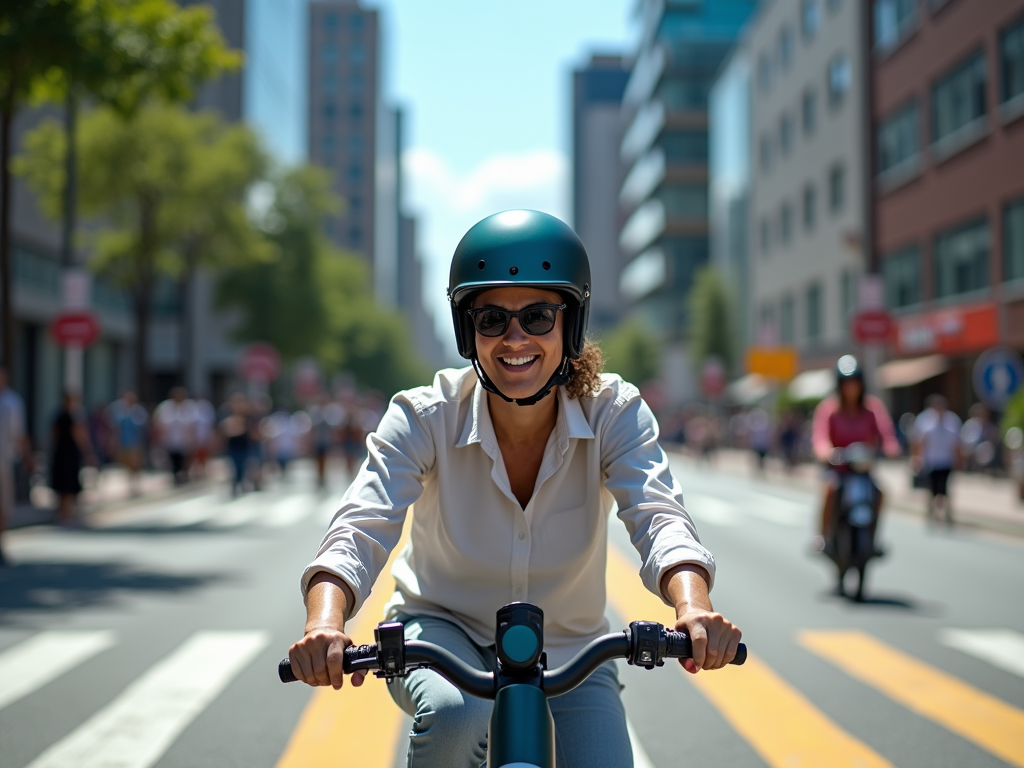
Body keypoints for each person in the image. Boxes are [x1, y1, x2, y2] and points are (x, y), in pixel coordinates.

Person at [287, 210, 741, 767]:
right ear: (467, 332)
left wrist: (693, 608)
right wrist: (325, 623)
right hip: (439, 634)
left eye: (538, 316)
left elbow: (659, 514)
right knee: (456, 718)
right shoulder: (423, 415)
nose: (515, 338)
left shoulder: (613, 410)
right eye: (492, 320)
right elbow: (360, 525)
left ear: (570, 323)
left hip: (574, 651)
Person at [810, 355, 901, 551]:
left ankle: (872, 537)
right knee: (830, 490)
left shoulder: (872, 408)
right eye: (847, 383)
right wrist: (827, 452)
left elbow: (886, 432)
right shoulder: (829, 409)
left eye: (855, 383)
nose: (851, 388)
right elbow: (820, 437)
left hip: (862, 470)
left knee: (879, 493)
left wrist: (891, 447)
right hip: (838, 469)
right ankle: (823, 536)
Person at [911, 394, 962, 526]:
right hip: (931, 461)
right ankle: (931, 514)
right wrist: (917, 458)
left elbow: (956, 443)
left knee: (945, 489)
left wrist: (958, 459)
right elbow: (919, 441)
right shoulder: (924, 420)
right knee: (932, 489)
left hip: (946, 461)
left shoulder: (952, 420)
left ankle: (948, 515)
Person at [0, 366, 32, 565]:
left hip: (3, 462)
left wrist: (27, 458)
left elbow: (19, 435)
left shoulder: (12, 402)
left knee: (4, 505)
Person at [50, 392, 96, 526]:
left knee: (63, 483)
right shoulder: (72, 417)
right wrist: (89, 453)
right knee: (67, 483)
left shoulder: (60, 416)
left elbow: (54, 434)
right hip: (68, 454)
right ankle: (66, 514)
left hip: (61, 452)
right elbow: (80, 436)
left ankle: (64, 513)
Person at [107, 390, 148, 496]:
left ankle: (135, 483)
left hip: (135, 443)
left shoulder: (139, 411)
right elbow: (114, 428)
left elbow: (143, 428)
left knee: (135, 464)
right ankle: (130, 483)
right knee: (126, 464)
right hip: (123, 443)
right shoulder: (118, 410)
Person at [153, 387, 197, 485]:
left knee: (184, 460)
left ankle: (183, 474)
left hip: (185, 441)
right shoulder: (165, 407)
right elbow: (158, 423)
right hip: (170, 440)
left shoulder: (189, 407)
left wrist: (193, 439)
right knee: (173, 459)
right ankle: (175, 476)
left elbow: (193, 425)